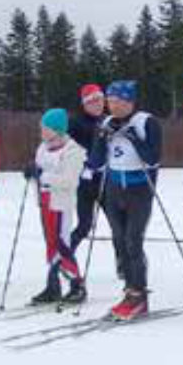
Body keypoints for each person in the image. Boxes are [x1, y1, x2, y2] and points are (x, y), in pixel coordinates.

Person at [96, 79, 164, 320]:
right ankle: (129, 291)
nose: (112, 106)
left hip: (139, 190)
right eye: (109, 101)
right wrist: (103, 137)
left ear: (130, 101)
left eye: (117, 102)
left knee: (133, 241)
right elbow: (96, 160)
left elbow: (153, 159)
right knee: (120, 242)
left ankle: (139, 296)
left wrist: (133, 137)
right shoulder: (106, 122)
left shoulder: (146, 121)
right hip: (114, 189)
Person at [26, 108, 88, 305]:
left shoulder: (73, 151)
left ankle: (77, 284)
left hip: (61, 203)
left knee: (62, 245)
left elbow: (69, 181)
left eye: (46, 128)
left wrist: (42, 175)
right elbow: (39, 170)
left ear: (58, 129)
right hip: (44, 201)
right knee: (51, 245)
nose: (42, 132)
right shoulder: (43, 148)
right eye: (41, 128)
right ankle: (53, 287)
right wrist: (31, 173)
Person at [67, 83, 107, 252]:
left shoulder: (108, 120)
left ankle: (123, 264)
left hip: (107, 180)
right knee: (84, 225)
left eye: (100, 100)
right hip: (84, 181)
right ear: (84, 104)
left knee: (119, 225)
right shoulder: (75, 122)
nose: (97, 104)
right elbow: (63, 147)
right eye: (92, 101)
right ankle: (64, 257)